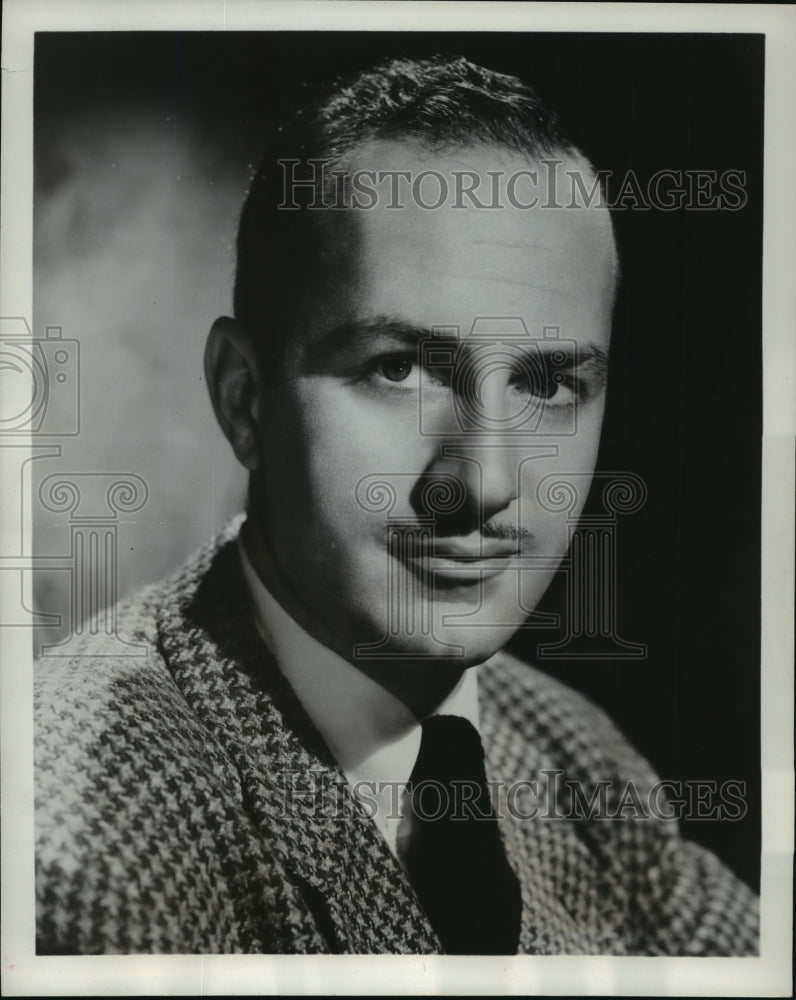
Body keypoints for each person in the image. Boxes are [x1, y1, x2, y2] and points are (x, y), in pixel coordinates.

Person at [34, 55, 759, 955]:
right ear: (243, 398)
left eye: (547, 382)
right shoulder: (74, 834)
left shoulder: (572, 759)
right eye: (398, 369)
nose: (484, 481)